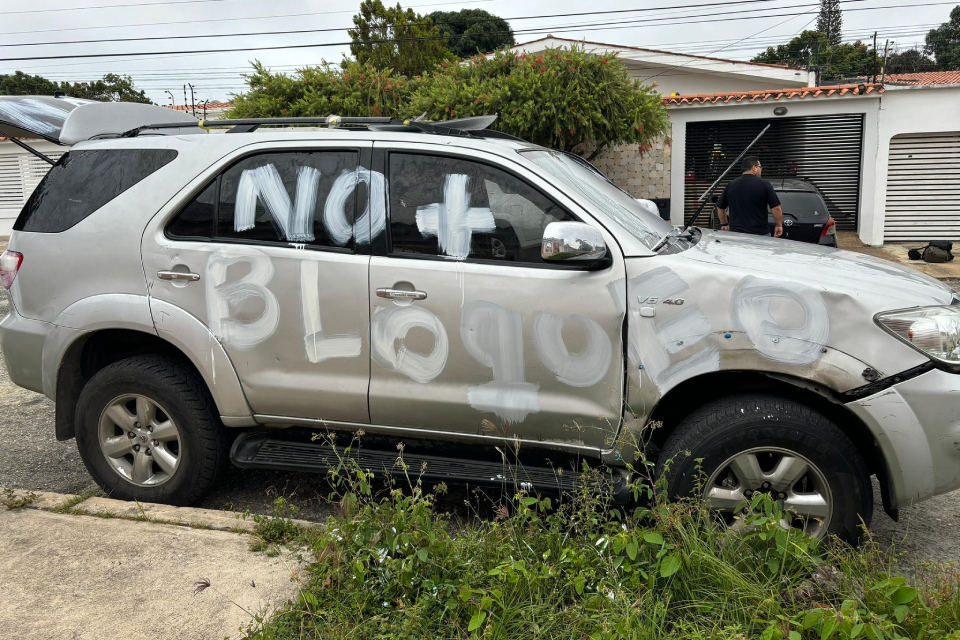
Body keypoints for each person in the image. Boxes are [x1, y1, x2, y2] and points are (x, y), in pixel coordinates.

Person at [716, 156, 783, 237]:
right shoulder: (764, 184)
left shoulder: (731, 184)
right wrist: (779, 225)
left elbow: (720, 207)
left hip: (736, 235)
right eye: (760, 167)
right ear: (754, 168)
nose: (761, 170)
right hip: (760, 234)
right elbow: (776, 208)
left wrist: (724, 224)